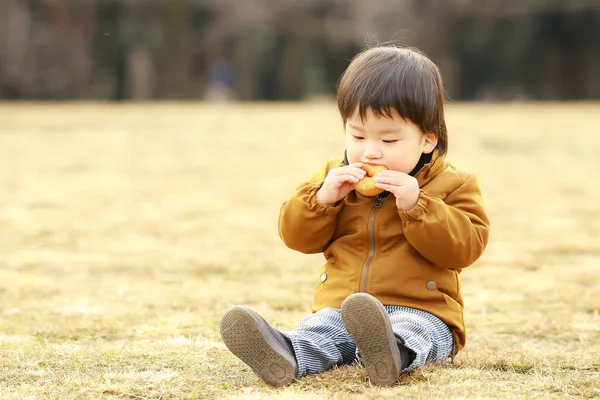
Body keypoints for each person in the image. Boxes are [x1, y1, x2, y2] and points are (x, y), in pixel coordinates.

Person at [219, 45, 491, 387]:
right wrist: (322, 200)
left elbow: (465, 248)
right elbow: (296, 238)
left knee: (416, 333)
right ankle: (285, 354)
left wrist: (417, 206)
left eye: (389, 139)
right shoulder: (333, 177)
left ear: (427, 139)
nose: (370, 150)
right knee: (321, 331)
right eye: (358, 135)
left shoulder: (452, 184)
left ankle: (392, 352)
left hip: (423, 308)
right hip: (342, 308)